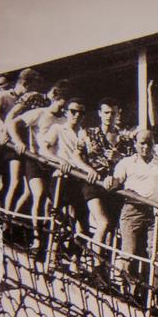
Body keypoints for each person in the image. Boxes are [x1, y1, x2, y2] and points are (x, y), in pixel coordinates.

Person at [72, 97, 133, 277]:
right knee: (103, 222)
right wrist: (88, 169)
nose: (109, 116)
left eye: (113, 113)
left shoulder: (124, 139)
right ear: (99, 114)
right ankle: (94, 266)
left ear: (117, 114)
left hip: (114, 188)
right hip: (93, 184)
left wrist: (119, 157)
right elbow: (76, 156)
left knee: (111, 228)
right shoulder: (88, 133)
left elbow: (131, 164)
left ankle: (103, 268)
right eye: (106, 112)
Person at [104, 130, 158, 301]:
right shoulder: (127, 162)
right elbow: (116, 181)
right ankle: (128, 290)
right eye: (142, 143)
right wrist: (111, 180)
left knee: (155, 254)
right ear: (135, 144)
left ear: (154, 144)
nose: (145, 146)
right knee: (129, 252)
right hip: (132, 209)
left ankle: (154, 297)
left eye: (149, 143)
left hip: (154, 214)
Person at [7, 81, 69, 253]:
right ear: (55, 98)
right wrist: (19, 142)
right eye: (60, 99)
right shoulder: (39, 113)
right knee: (39, 195)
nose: (62, 104)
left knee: (55, 203)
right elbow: (12, 123)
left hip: (53, 163)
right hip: (35, 160)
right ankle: (36, 239)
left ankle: (50, 241)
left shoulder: (64, 119)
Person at [39, 98, 90, 265]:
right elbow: (43, 150)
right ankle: (52, 255)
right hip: (61, 177)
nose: (77, 115)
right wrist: (59, 160)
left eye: (81, 113)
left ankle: (75, 260)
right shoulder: (58, 128)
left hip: (78, 180)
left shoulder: (84, 134)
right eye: (73, 111)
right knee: (57, 215)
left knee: (82, 220)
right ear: (67, 112)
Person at [0, 68, 42, 213]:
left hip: (25, 145)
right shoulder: (6, 96)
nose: (35, 89)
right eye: (34, 85)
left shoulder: (29, 99)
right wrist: (4, 132)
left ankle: (13, 216)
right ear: (25, 83)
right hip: (12, 144)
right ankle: (5, 217)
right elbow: (9, 117)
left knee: (28, 191)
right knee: (14, 182)